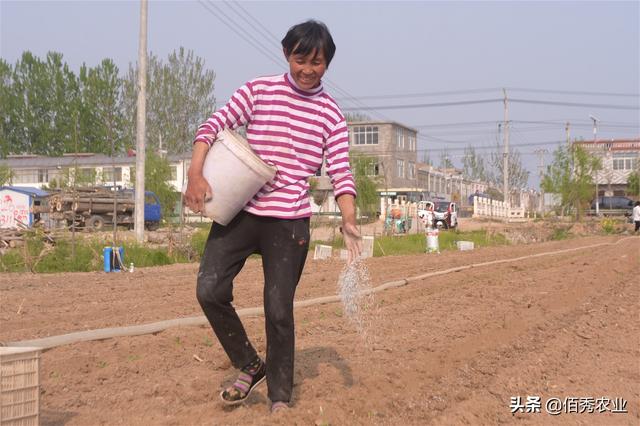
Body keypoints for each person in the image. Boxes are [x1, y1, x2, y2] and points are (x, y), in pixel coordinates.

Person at [184, 20, 362, 413]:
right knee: (209, 290)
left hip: (290, 222)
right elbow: (213, 125)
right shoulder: (259, 90)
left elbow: (341, 170)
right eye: (301, 59)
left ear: (327, 65)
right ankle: (250, 364)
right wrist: (195, 174)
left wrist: (348, 218)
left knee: (278, 309)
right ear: (287, 55)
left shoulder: (331, 114)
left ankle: (280, 399)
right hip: (242, 211)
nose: (307, 69)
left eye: (317, 62)